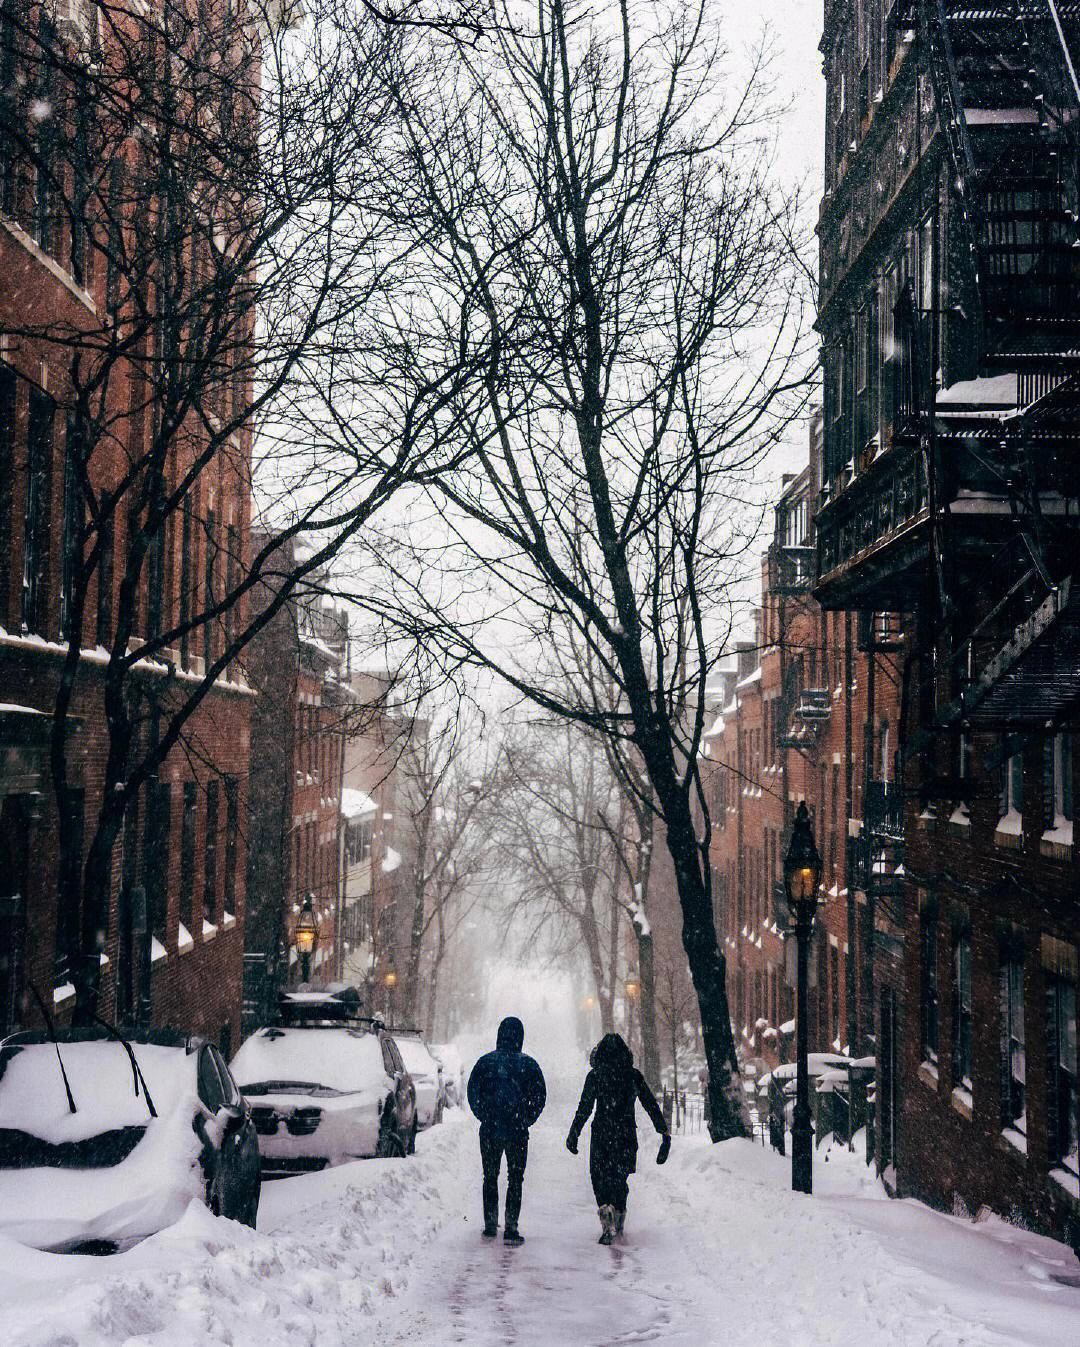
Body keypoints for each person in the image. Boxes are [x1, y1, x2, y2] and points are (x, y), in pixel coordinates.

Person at [566, 1033, 670, 1245]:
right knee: (619, 1178)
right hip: (625, 1134)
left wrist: (574, 1133)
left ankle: (605, 1209)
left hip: (602, 1134)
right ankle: (619, 1214)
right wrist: (663, 1132)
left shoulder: (595, 1076)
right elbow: (650, 1104)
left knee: (599, 1176)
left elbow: (584, 1108)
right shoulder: (633, 1076)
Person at [467, 1016, 547, 1245]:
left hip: (490, 1128)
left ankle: (490, 1224)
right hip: (517, 1130)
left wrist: (485, 1115)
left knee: (490, 1176)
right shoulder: (529, 1065)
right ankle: (511, 1227)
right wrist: (525, 1119)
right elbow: (540, 1097)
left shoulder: (485, 1063)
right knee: (516, 1178)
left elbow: (473, 1092)